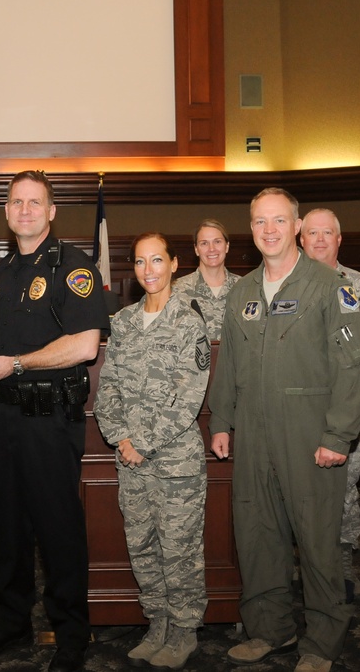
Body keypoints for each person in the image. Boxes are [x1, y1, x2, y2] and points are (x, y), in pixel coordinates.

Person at [208, 187, 360, 672]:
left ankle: (322, 640)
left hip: (309, 436)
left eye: (279, 221)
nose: (270, 230)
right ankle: (269, 630)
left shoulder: (329, 287)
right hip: (253, 437)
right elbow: (229, 365)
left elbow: (353, 365)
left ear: (297, 226)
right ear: (251, 229)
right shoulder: (241, 292)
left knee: (318, 541)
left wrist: (338, 436)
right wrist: (222, 420)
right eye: (260, 222)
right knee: (257, 536)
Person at [0, 170, 109, 672]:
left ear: (51, 212)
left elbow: (84, 344)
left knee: (57, 527)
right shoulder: (3, 271)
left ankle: (72, 631)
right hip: (5, 416)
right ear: (7, 212)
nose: (25, 210)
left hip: (50, 418)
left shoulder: (73, 267)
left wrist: (20, 363)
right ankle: (11, 622)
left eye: (35, 203)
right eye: (17, 203)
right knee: (8, 527)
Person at [94, 233, 211, 670]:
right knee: (142, 546)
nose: (149, 270)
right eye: (141, 262)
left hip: (175, 462)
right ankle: (157, 623)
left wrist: (141, 442)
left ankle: (184, 631)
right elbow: (107, 388)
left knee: (179, 550)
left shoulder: (188, 321)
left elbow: (188, 397)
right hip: (130, 461)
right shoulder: (122, 321)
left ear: (175, 264)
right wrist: (121, 437)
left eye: (157, 260)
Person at [299, 207, 360, 602]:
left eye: (326, 233)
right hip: (297, 411)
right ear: (300, 239)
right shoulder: (283, 284)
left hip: (347, 413)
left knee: (344, 491)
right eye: (311, 233)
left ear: (339, 238)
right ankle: (301, 565)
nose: (318, 240)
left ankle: (342, 565)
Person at [172, 218, 240, 340]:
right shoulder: (177, 290)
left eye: (217, 242)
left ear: (227, 246)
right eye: (204, 243)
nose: (211, 248)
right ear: (196, 249)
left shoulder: (244, 287)